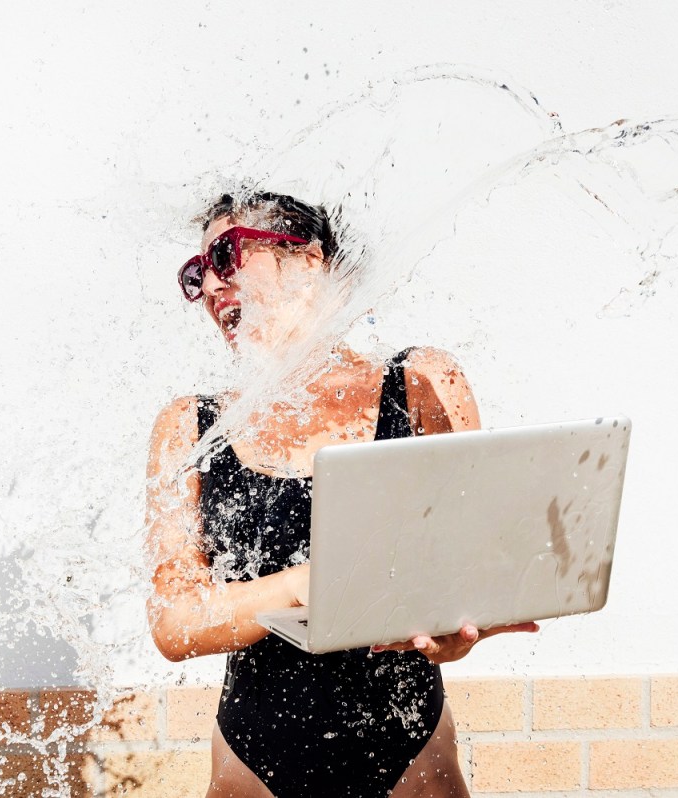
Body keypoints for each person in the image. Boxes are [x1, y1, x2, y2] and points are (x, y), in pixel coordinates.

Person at [145, 191, 537, 797]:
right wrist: (312, 585)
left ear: (309, 263)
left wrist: (461, 635)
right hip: (254, 764)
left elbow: (469, 570)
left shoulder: (421, 384)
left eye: (227, 255)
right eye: (198, 275)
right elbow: (175, 623)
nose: (214, 286)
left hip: (411, 756)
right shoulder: (189, 428)